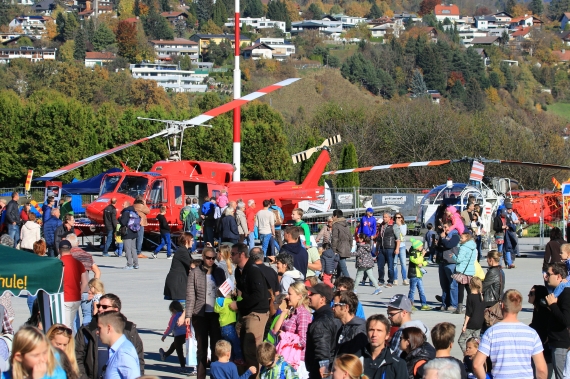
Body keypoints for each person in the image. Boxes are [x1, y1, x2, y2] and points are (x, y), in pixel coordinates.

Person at [473, 289, 547, 379]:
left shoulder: (491, 332)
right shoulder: (532, 334)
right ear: (520, 308)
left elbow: (477, 364)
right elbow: (541, 369)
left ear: (502, 306)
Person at [75, 293, 145, 379]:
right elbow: (76, 358)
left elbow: (139, 361)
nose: (100, 309)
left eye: (104, 307)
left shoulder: (128, 333)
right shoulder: (86, 330)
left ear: (116, 310)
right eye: (98, 306)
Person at [184, 246, 226, 379]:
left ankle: (214, 376)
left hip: (215, 314)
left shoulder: (219, 271)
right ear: (203, 257)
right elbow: (190, 295)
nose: (211, 260)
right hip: (200, 314)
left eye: (213, 258)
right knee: (201, 348)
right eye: (208, 258)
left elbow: (225, 291)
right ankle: (200, 376)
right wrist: (188, 315)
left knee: (215, 347)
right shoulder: (195, 272)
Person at [230, 243, 270, 370]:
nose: (230, 256)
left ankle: (255, 375)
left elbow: (258, 295)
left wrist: (238, 304)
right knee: (239, 344)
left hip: (257, 312)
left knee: (251, 348)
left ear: (242, 254)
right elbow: (243, 290)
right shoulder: (238, 270)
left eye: (233, 254)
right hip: (246, 311)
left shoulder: (253, 270)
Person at [271, 282, 312, 370]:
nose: (287, 297)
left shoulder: (303, 314)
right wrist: (284, 312)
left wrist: (285, 336)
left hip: (295, 361)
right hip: (285, 356)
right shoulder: (293, 312)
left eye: (290, 294)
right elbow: (275, 331)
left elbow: (303, 341)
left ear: (299, 296)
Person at [353, 314, 408, 379]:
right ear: (367, 333)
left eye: (379, 330)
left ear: (387, 335)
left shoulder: (398, 364)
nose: (374, 334)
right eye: (371, 330)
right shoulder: (355, 359)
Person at [2, 326, 66, 379]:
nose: (42, 359)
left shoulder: (57, 375)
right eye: (36, 355)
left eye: (45, 353)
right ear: (19, 357)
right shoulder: (4, 377)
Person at [306, 283, 338, 379]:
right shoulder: (328, 314)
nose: (309, 296)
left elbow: (322, 348)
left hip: (319, 372)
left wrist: (323, 368)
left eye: (312, 294)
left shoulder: (321, 321)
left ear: (322, 299)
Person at [545, 263, 570, 379]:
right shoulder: (558, 292)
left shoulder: (566, 293)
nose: (545, 277)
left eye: (549, 274)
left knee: (562, 377)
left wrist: (553, 305)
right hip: (555, 341)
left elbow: (566, 320)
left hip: (562, 343)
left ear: (559, 276)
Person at [97, 311, 140, 379]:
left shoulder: (124, 353)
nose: (97, 332)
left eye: (99, 328)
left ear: (109, 328)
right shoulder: (117, 350)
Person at [59, 240, 89, 329]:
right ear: (70, 249)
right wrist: (79, 293)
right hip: (76, 298)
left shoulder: (59, 263)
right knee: (71, 324)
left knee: (65, 326)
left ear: (59, 250)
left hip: (64, 298)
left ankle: (69, 343)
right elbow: (85, 281)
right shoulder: (78, 263)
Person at [332, 290, 367, 357]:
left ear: (346, 307)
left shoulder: (359, 330)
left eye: (335, 305)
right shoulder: (342, 326)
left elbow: (357, 357)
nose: (332, 308)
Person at [214, 287, 244, 364]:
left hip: (223, 327)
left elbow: (216, 309)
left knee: (228, 345)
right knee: (236, 343)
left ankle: (229, 359)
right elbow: (238, 303)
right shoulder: (229, 302)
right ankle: (238, 358)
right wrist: (239, 295)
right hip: (230, 326)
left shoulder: (218, 302)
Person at [435, 221, 460, 312]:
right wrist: (436, 243)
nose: (444, 229)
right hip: (442, 262)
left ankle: (453, 304)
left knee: (452, 285)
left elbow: (449, 245)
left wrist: (443, 239)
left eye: (445, 227)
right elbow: (440, 247)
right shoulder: (443, 236)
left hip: (451, 263)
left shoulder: (455, 236)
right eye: (443, 227)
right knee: (444, 285)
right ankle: (445, 303)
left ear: (451, 227)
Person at [163, 233, 194, 303]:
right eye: (192, 240)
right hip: (178, 282)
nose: (193, 242)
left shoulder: (183, 250)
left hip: (179, 281)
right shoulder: (182, 251)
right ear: (186, 241)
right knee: (182, 308)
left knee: (180, 309)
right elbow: (192, 264)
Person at [458, 277, 485, 354]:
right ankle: (478, 353)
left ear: (471, 285)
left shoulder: (470, 297)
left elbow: (468, 312)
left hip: (471, 323)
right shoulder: (481, 297)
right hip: (480, 323)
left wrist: (465, 325)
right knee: (477, 341)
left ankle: (467, 354)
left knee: (461, 340)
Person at [159, 301, 187, 374]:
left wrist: (164, 335)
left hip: (178, 336)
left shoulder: (174, 317)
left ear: (173, 309)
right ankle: (165, 355)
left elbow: (170, 327)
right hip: (186, 335)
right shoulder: (184, 314)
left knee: (179, 352)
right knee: (174, 345)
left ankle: (183, 367)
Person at [452, 233, 477, 314]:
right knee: (469, 289)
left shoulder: (464, 248)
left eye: (462, 238)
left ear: (467, 238)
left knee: (461, 289)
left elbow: (459, 259)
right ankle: (472, 306)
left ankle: (459, 308)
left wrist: (453, 256)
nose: (460, 239)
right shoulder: (474, 247)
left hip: (462, 270)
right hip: (470, 270)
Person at [376, 212, 399, 288]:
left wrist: (397, 248)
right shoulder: (381, 226)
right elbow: (379, 239)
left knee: (390, 266)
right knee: (380, 266)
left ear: (390, 218)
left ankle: (390, 281)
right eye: (383, 217)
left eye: (386, 217)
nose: (384, 218)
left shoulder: (394, 225)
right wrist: (377, 249)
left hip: (390, 248)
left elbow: (398, 239)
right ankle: (381, 280)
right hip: (382, 248)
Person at [406, 238, 430, 311]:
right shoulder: (413, 253)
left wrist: (422, 263)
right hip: (413, 274)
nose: (422, 248)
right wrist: (422, 256)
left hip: (419, 274)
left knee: (421, 290)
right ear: (417, 247)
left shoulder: (419, 253)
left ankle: (424, 304)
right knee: (412, 290)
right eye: (421, 246)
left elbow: (424, 262)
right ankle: (410, 305)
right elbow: (416, 261)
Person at [119, 201, 139, 269]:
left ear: (126, 205)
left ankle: (129, 264)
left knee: (127, 249)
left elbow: (123, 223)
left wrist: (119, 218)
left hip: (127, 232)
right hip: (134, 232)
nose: (122, 205)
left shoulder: (125, 212)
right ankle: (136, 264)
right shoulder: (135, 212)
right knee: (134, 249)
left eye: (123, 204)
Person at [331, 209, 352, 278]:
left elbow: (335, 238)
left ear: (336, 216)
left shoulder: (336, 225)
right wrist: (350, 247)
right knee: (339, 268)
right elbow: (350, 237)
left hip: (339, 249)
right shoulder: (346, 224)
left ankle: (350, 284)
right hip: (346, 247)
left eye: (333, 216)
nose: (332, 218)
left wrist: (333, 250)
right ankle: (337, 284)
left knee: (343, 268)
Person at [393, 213, 408, 286]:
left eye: (399, 217)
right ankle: (395, 279)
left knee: (403, 263)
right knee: (394, 263)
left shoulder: (404, 225)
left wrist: (399, 225)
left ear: (402, 218)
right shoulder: (393, 225)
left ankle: (404, 279)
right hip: (395, 246)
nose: (397, 219)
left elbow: (403, 233)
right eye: (396, 217)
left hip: (402, 246)